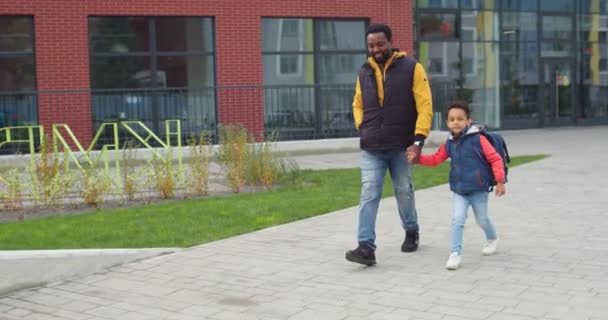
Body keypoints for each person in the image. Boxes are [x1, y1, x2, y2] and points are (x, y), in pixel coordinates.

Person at [345, 23, 433, 266]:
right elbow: (357, 102)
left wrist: (418, 140)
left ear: (390, 42)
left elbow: (425, 105)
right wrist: (362, 125)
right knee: (368, 194)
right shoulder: (364, 71)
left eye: (380, 44)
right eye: (371, 45)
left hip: (401, 145)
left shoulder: (412, 67)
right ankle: (366, 247)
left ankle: (411, 229)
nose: (375, 49)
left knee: (403, 191)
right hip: (372, 146)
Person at [408, 101, 505, 270]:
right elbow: (436, 159)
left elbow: (495, 158)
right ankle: (455, 254)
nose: (456, 122)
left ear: (468, 121)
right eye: (452, 119)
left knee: (482, 219)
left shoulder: (479, 139)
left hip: (478, 189)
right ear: (447, 123)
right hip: (459, 190)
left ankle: (492, 239)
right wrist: (418, 159)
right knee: (458, 220)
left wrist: (500, 181)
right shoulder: (450, 143)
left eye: (460, 119)